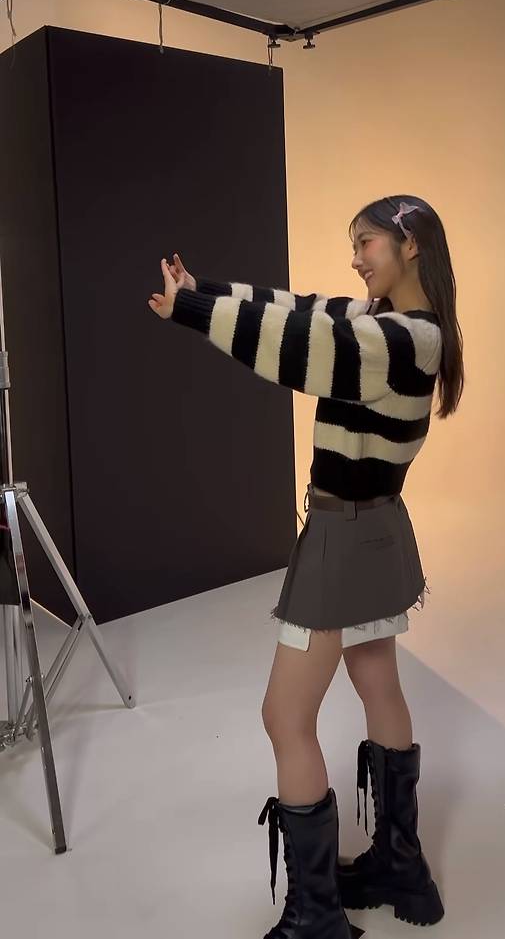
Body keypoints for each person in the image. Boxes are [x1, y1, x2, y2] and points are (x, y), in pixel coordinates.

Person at [148, 195, 464, 937]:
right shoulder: (399, 325)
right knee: (377, 680)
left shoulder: (401, 338)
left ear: (410, 245)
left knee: (283, 716)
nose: (355, 259)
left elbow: (298, 346)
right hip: (379, 528)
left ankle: (317, 918)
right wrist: (204, 289)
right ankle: (401, 866)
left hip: (343, 539)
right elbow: (302, 310)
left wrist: (194, 312)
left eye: (367, 243)